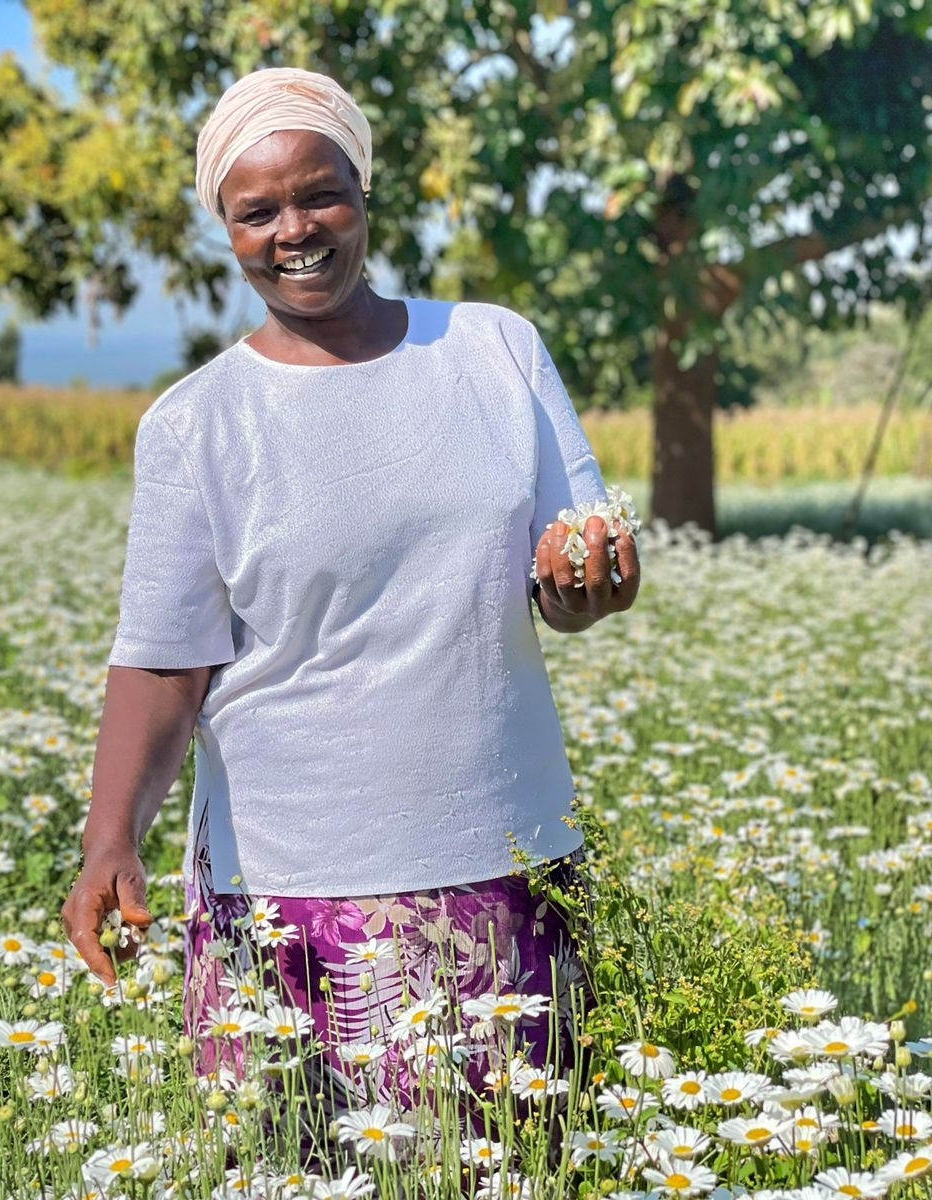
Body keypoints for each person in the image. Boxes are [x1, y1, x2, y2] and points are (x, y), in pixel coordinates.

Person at [60, 66, 641, 1170]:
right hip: (286, 901)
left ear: (363, 191)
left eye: (318, 194)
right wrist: (109, 842)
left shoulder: (491, 351)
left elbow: (574, 567)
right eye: (256, 211)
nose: (295, 230)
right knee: (297, 1177)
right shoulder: (195, 426)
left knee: (519, 1173)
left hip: (502, 860)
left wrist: (587, 586)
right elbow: (163, 665)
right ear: (223, 229)